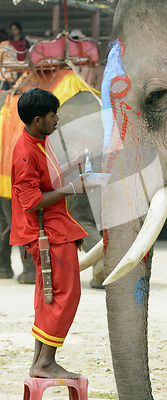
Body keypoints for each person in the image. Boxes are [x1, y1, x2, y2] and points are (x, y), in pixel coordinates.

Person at [10, 88, 99, 379]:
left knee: (51, 296)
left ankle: (40, 361)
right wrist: (74, 188)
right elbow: (32, 201)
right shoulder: (25, 153)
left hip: (56, 226)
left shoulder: (39, 142)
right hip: (46, 233)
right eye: (52, 116)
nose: (57, 119)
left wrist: (74, 165)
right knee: (65, 295)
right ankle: (46, 361)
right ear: (38, 120)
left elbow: (48, 179)